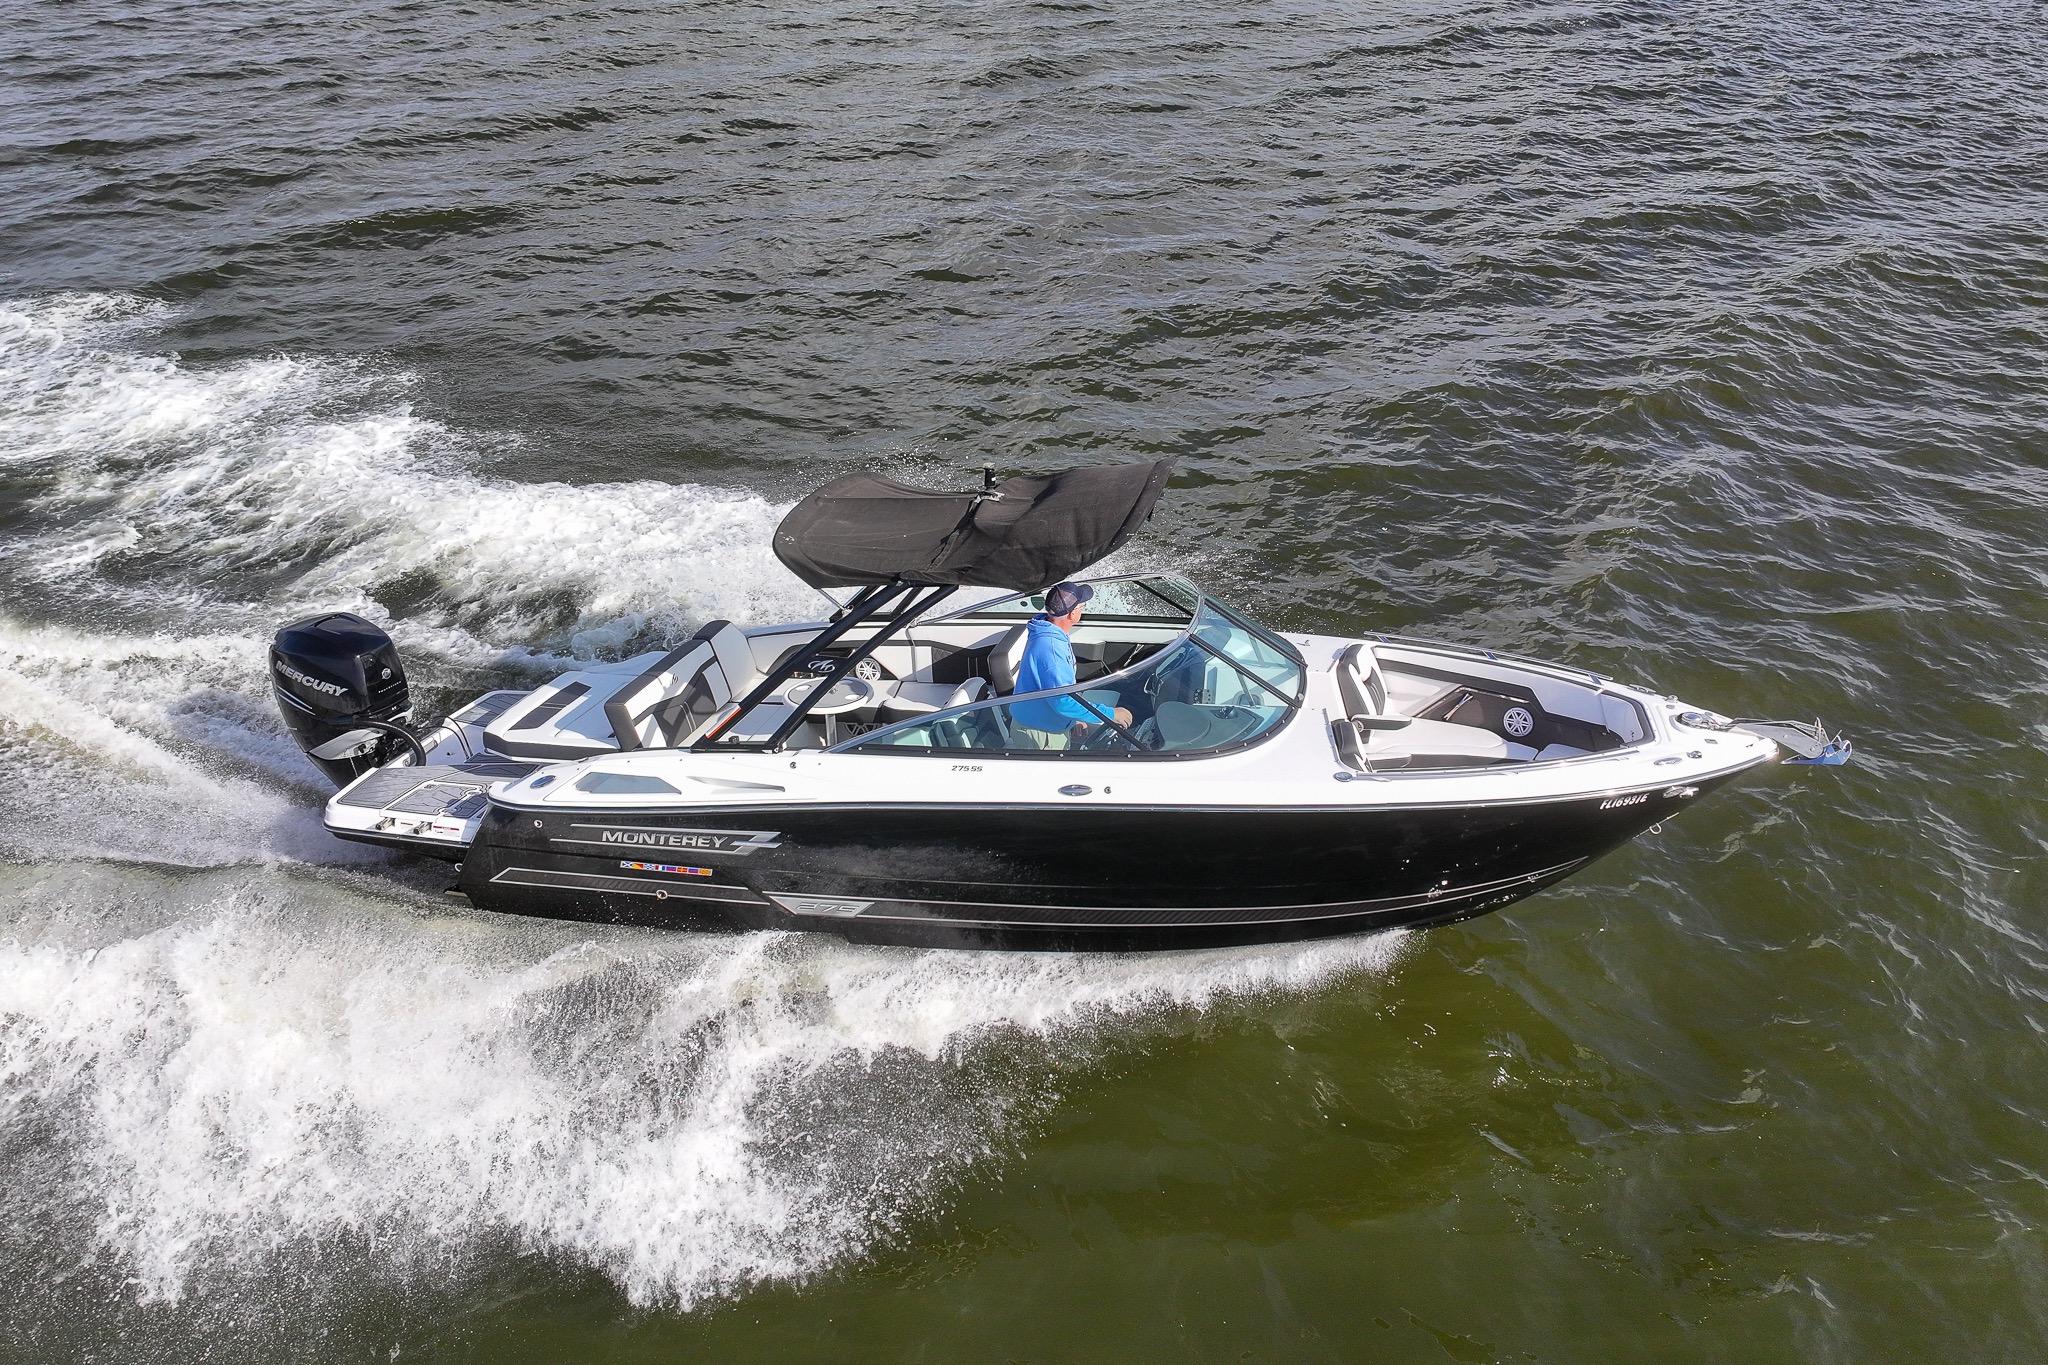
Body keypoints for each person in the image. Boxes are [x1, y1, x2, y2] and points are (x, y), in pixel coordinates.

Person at [1010, 581, 1134, 749]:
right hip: (1041, 733)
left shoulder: (1048, 629)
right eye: (1082, 607)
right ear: (1072, 614)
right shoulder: (1052, 649)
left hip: (1045, 720)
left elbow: (1058, 692)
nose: (1082, 610)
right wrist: (1110, 714)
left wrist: (1072, 720)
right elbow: (1062, 701)